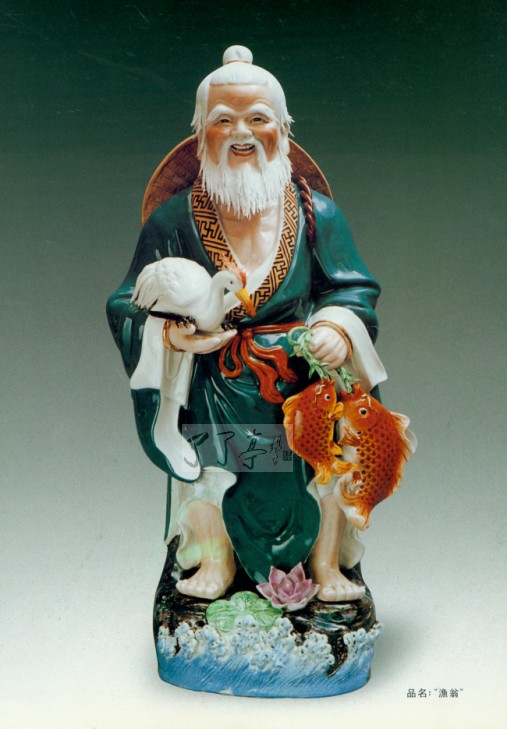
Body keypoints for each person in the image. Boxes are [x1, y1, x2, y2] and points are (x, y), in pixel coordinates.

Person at [107, 45, 387, 603]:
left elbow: (352, 288)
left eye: (258, 119)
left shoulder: (316, 215)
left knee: (335, 449)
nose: (242, 134)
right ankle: (216, 556)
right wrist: (169, 335)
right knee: (207, 459)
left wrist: (336, 327)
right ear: (200, 134)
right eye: (223, 121)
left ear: (283, 129)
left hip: (304, 380)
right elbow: (127, 302)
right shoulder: (174, 219)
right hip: (216, 381)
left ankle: (325, 560)